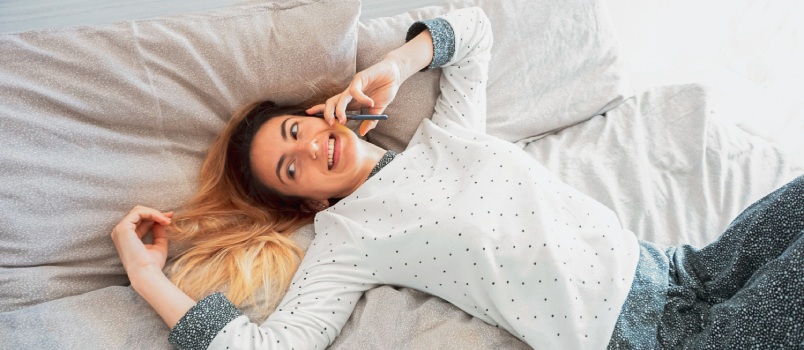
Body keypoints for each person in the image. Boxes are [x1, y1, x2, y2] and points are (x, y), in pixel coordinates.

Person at [111, 7, 804, 350]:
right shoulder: (348, 238)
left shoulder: (447, 134)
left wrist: (399, 65)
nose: (308, 150)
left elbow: (473, 32)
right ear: (307, 199)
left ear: (322, 115)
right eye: (288, 171)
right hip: (648, 340)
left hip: (682, 267)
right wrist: (149, 280)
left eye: (296, 129)